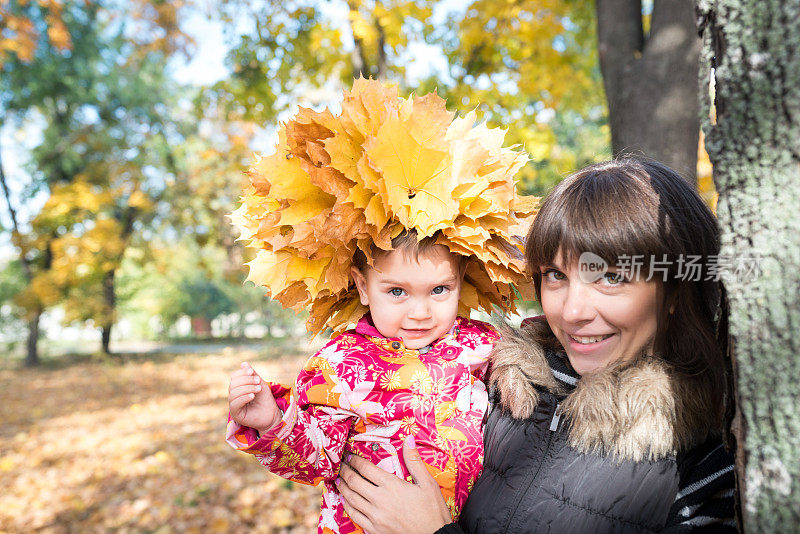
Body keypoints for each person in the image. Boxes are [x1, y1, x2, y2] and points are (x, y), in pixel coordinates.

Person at [336, 158, 738, 533]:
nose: (572, 310)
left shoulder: (705, 465)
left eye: (611, 277)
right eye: (555, 275)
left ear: (674, 293)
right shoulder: (492, 384)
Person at [225, 78, 537, 534]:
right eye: (397, 292)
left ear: (460, 283)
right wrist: (272, 422)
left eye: (438, 291)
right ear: (363, 287)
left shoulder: (481, 346)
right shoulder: (340, 363)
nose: (420, 312)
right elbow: (317, 456)